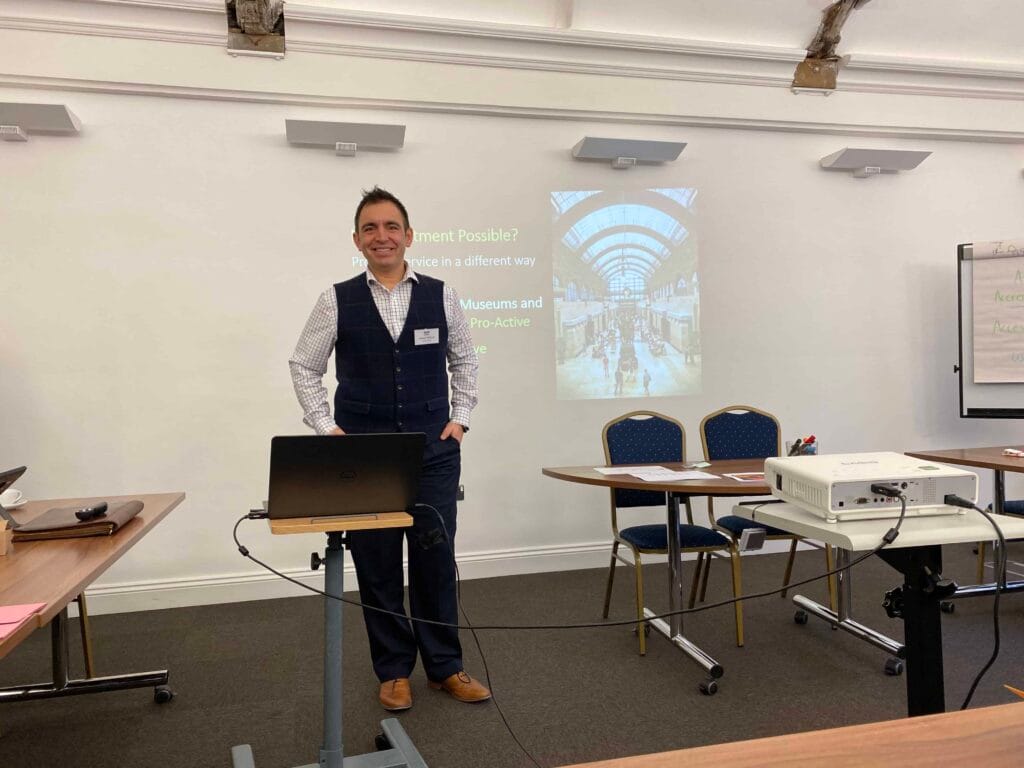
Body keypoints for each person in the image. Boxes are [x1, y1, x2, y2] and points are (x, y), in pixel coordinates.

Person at [288, 186, 489, 712]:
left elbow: (465, 360)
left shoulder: (442, 294)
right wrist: (326, 428)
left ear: (409, 236)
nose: (383, 236)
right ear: (357, 240)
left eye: (391, 226)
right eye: (371, 228)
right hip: (365, 456)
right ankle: (394, 670)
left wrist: (460, 420)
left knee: (434, 560)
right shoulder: (336, 298)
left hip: (434, 450)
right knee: (376, 564)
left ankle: (445, 667)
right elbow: (304, 366)